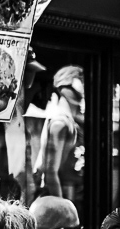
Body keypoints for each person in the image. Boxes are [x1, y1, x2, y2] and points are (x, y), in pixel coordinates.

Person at [31, 68, 83, 202]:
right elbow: (50, 171)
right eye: (80, 82)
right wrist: (61, 208)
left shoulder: (68, 121)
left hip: (69, 192)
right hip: (60, 194)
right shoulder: (60, 123)